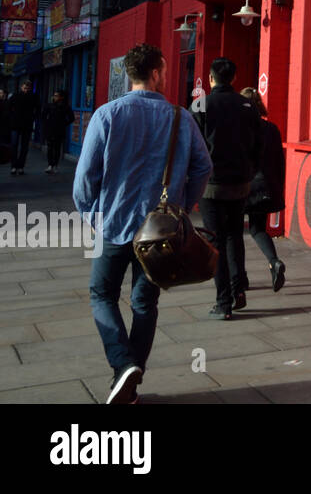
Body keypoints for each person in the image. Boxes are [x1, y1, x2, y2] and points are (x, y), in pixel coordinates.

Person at [73, 43, 212, 404]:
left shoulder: (106, 115)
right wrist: (183, 205)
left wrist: (92, 215)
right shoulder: (180, 118)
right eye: (164, 72)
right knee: (144, 304)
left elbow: (85, 179)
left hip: (113, 224)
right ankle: (130, 379)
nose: (166, 77)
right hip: (161, 233)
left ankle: (123, 367)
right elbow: (203, 166)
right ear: (154, 74)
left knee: (101, 294)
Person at [191, 57, 260, 320]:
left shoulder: (200, 105)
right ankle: (238, 289)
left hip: (211, 186)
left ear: (211, 78)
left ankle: (223, 302)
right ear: (233, 78)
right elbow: (258, 145)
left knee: (215, 240)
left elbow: (192, 147)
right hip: (240, 184)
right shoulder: (247, 105)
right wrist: (249, 172)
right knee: (234, 236)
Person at [240, 88, 286, 292]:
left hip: (245, 186)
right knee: (258, 228)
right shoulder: (272, 129)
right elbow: (279, 162)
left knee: (234, 233)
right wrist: (279, 187)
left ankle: (240, 277)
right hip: (267, 186)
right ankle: (274, 261)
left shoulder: (240, 131)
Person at [42, 90, 76, 174]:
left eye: (57, 95)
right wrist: (46, 124)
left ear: (61, 97)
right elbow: (43, 116)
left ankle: (55, 165)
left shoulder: (65, 107)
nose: (55, 97)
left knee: (57, 148)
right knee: (50, 148)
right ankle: (50, 165)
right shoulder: (49, 106)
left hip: (59, 130)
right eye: (54, 95)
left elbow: (71, 118)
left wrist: (64, 123)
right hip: (50, 129)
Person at [9, 79, 38, 176]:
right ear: (22, 87)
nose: (26, 90)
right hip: (17, 124)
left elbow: (37, 109)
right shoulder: (16, 96)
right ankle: (14, 166)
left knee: (23, 147)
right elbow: (8, 108)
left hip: (25, 124)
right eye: (25, 88)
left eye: (28, 88)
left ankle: (20, 166)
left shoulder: (32, 97)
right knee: (14, 145)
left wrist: (33, 117)